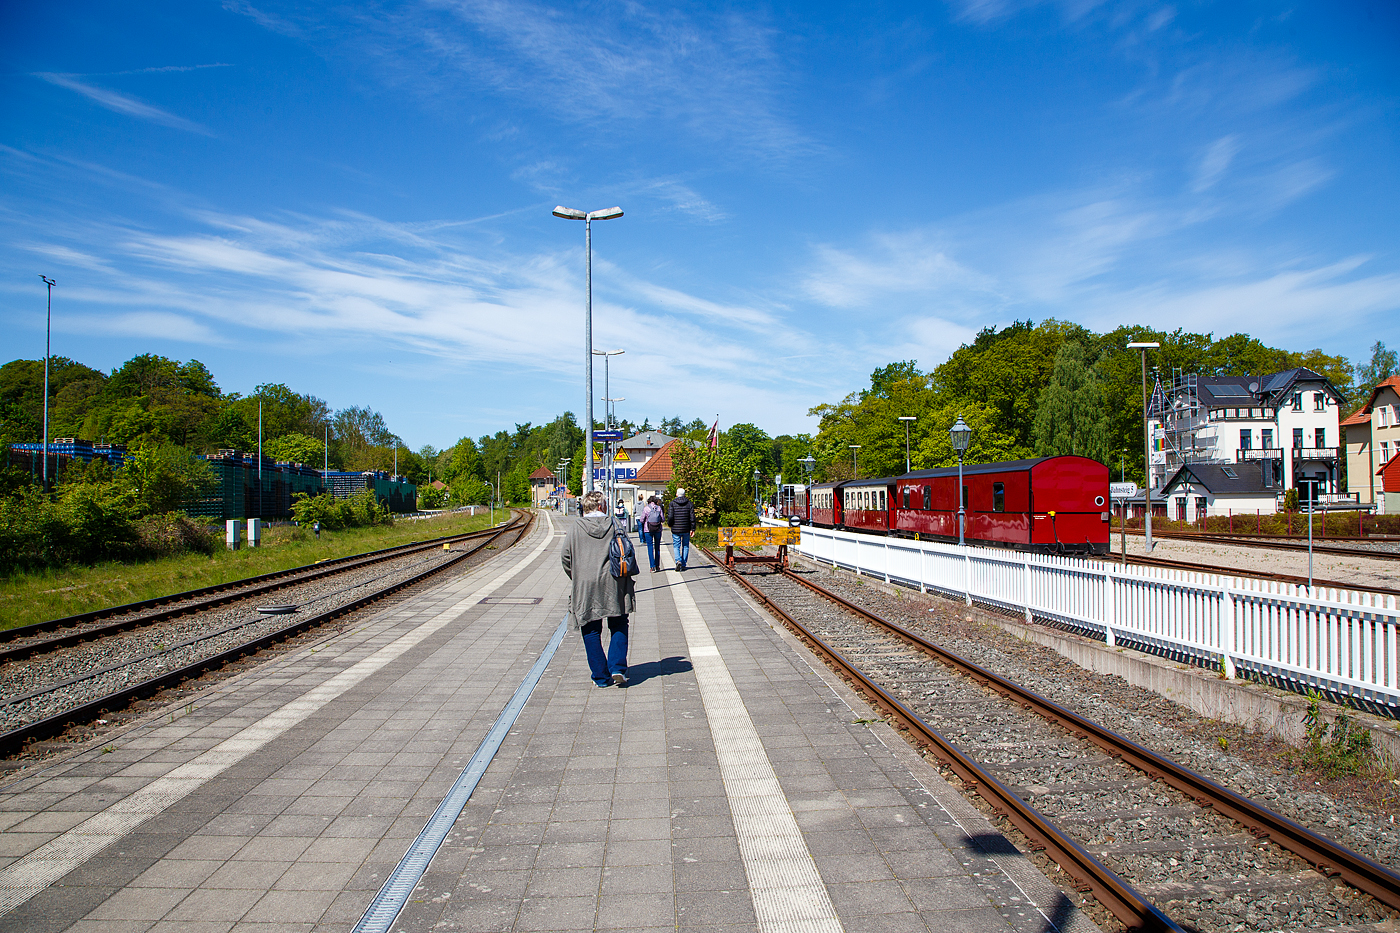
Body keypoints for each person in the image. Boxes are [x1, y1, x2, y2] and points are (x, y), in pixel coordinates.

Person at [562, 490, 635, 687]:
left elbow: (566, 557)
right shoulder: (614, 523)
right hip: (615, 582)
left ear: (584, 507)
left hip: (585, 585)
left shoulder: (575, 527)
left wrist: (577, 576)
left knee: (591, 628)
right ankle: (618, 668)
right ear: (602, 506)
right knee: (619, 623)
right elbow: (626, 549)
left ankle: (601, 677)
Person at [666, 487, 696, 571]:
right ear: (684, 494)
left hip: (676, 528)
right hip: (686, 528)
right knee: (685, 545)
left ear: (676, 494)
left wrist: (670, 524)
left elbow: (670, 516)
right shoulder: (689, 504)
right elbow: (692, 517)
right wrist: (692, 528)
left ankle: (678, 560)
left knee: (676, 545)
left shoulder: (672, 503)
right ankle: (683, 564)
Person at [642, 495, 664, 571]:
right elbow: (663, 519)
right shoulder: (659, 508)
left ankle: (652, 566)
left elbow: (642, 519)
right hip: (658, 529)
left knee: (650, 547)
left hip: (648, 529)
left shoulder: (646, 508)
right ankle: (658, 566)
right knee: (657, 547)